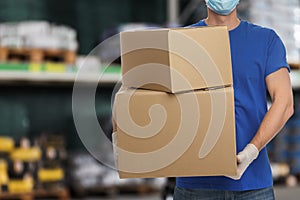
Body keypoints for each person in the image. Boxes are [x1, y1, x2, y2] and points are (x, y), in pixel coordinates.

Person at [173, 0, 294, 199]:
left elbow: (285, 103)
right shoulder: (182, 40)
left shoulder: (265, 40)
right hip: (195, 186)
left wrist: (251, 152)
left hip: (253, 184)